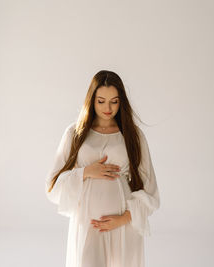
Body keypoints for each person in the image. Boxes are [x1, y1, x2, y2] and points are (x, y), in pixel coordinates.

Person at [45, 70, 160, 267]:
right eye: (101, 101)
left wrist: (124, 218)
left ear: (121, 101)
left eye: (114, 101)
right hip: (88, 223)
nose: (108, 108)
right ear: (91, 100)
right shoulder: (75, 133)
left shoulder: (133, 136)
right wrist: (86, 172)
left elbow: (151, 191)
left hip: (124, 225)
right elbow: (52, 186)